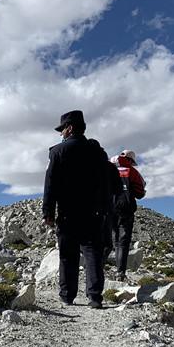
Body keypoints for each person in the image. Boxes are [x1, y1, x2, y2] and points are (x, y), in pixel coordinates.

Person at [42, 110, 109, 309]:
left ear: (69, 128)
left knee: (67, 255)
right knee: (92, 254)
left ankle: (67, 295)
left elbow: (50, 185)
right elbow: (105, 184)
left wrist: (48, 212)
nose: (61, 133)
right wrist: (104, 209)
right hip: (93, 213)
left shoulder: (57, 152)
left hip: (67, 213)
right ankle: (95, 297)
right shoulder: (98, 152)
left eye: (62, 129)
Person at [110, 149, 146, 281]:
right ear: (130, 160)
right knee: (122, 242)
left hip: (108, 208)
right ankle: (120, 273)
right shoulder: (131, 171)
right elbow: (140, 193)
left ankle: (97, 268)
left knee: (110, 240)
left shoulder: (108, 169)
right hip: (125, 209)